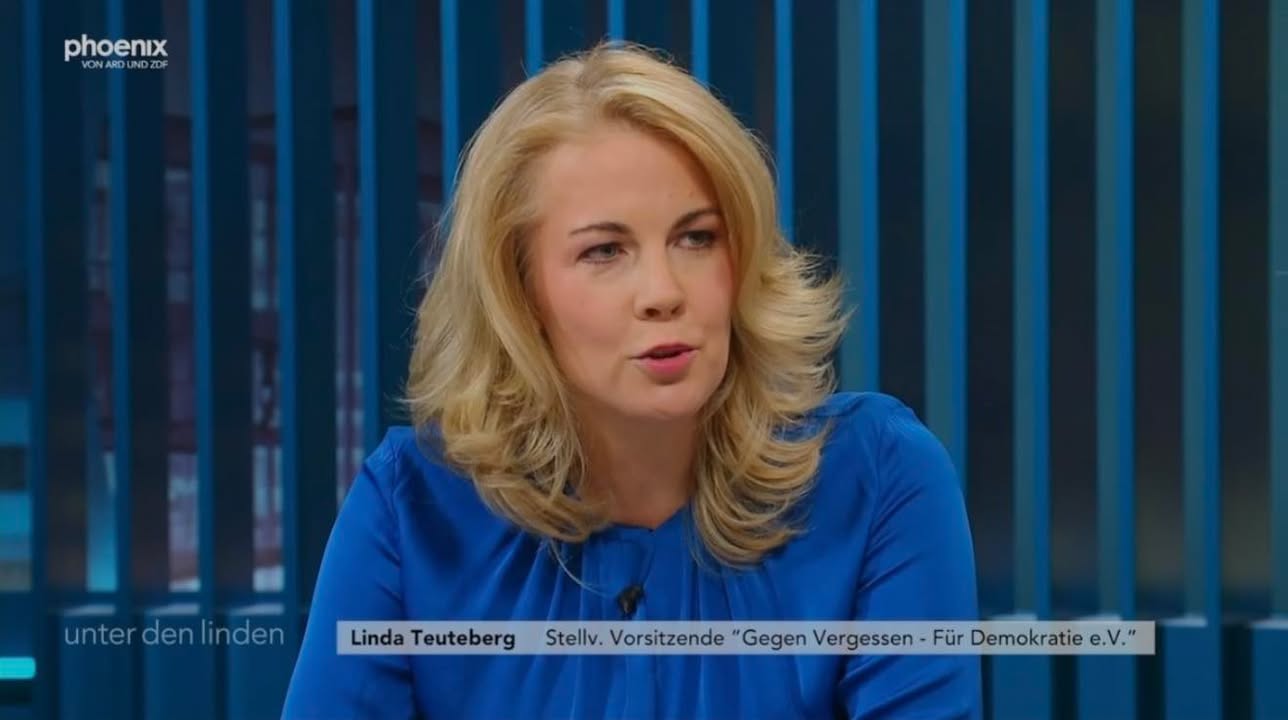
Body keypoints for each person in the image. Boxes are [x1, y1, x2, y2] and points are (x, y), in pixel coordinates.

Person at [282, 43, 980, 719]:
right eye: (605, 250)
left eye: (697, 238)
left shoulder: (877, 476)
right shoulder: (412, 510)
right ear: (519, 293)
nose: (663, 292)